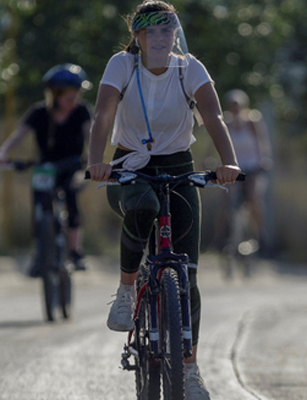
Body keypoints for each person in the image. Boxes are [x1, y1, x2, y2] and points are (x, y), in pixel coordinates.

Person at [86, 2, 240, 398]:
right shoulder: (122, 65)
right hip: (129, 166)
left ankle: (189, 371)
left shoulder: (190, 67)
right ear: (136, 36)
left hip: (178, 166)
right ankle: (125, 290)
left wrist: (229, 163)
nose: (158, 38)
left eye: (166, 31)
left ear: (175, 34)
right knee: (143, 207)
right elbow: (103, 114)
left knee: (186, 275)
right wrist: (97, 162)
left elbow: (213, 117)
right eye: (149, 32)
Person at [0, 63, 91, 272]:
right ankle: (40, 251)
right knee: (38, 200)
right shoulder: (39, 112)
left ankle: (75, 251)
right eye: (68, 96)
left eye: (76, 94)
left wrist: (95, 155)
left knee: (72, 193)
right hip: (46, 168)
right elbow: (18, 135)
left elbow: (90, 136)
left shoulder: (82, 112)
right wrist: (3, 152)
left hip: (74, 166)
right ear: (55, 94)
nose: (73, 100)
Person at [223, 89, 272, 253]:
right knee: (226, 199)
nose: (235, 109)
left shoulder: (252, 121)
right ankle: (225, 237)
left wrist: (264, 160)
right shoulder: (226, 123)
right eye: (232, 105)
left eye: (237, 105)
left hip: (252, 167)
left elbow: (262, 143)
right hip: (234, 168)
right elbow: (217, 144)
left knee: (252, 198)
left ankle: (260, 234)